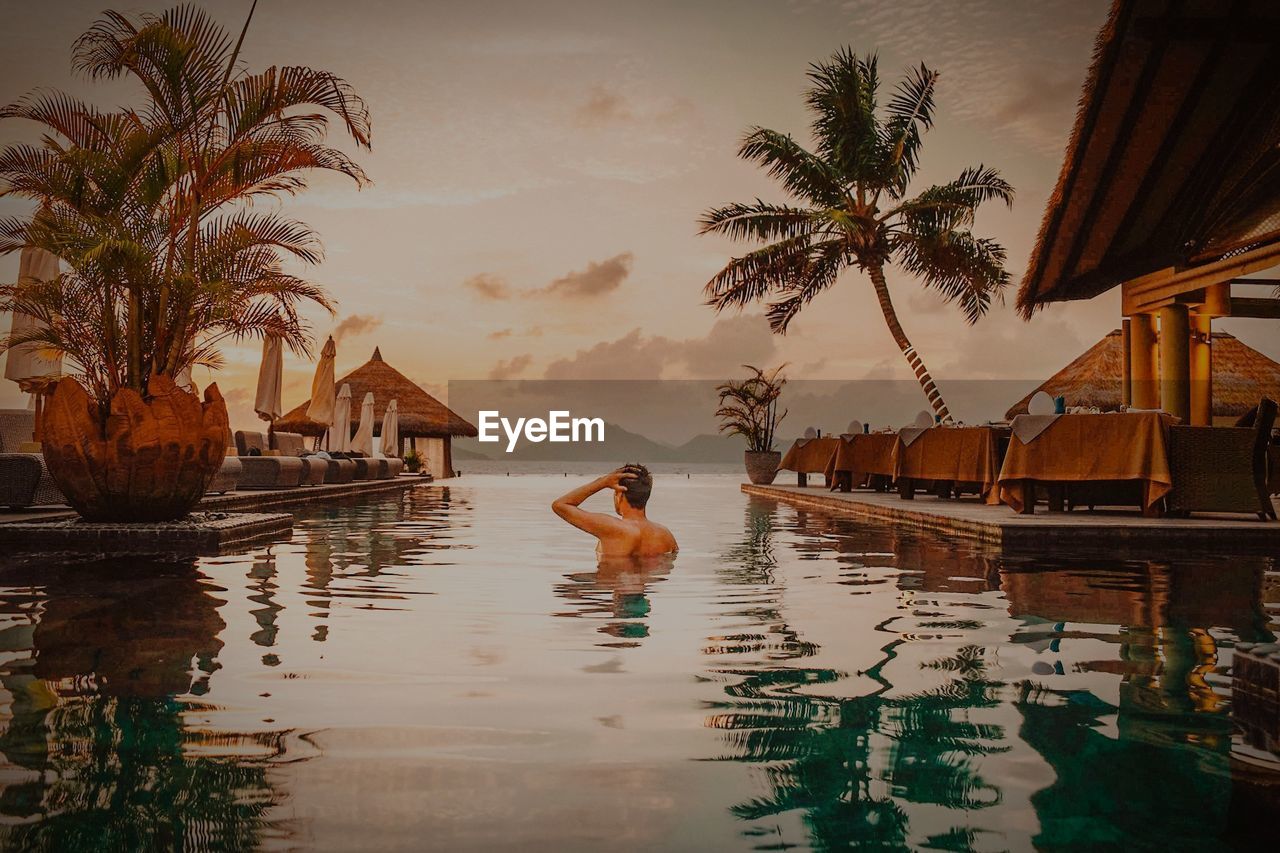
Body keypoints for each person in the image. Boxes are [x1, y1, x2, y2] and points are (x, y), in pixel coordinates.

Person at [551, 464, 678, 557]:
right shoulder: (666, 535)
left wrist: (602, 482)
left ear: (619, 495)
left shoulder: (613, 529)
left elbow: (560, 505)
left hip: (614, 583)